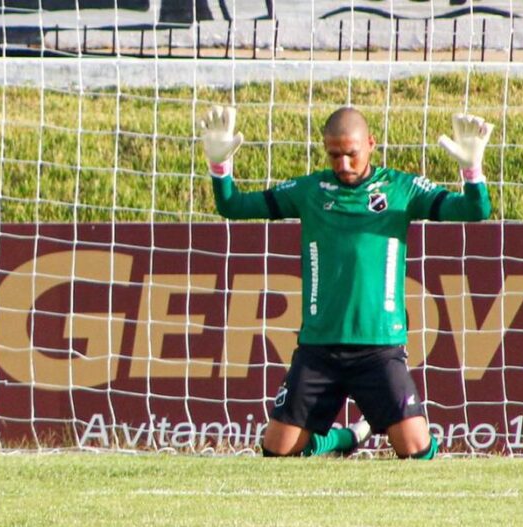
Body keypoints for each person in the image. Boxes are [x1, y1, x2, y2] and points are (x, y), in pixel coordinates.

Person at [201, 106, 492, 459]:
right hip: (319, 347)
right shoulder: (310, 190)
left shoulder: (402, 189)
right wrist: (220, 169)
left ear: (370, 143)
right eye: (334, 155)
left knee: (414, 448)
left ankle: (375, 433)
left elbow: (474, 211)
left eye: (351, 154)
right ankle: (345, 440)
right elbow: (234, 206)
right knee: (276, 451)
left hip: (379, 347)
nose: (343, 164)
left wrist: (472, 172)